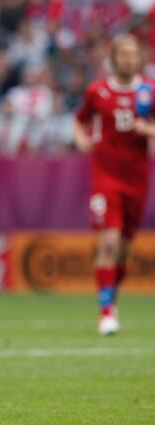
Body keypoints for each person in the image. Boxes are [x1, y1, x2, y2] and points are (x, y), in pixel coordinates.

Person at [73, 33, 153, 336]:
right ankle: (106, 312)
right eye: (124, 54)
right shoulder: (98, 91)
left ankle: (111, 299)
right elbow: (79, 120)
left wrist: (149, 129)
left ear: (139, 58)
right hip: (105, 177)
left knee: (123, 250)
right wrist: (81, 139)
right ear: (114, 57)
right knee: (108, 242)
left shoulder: (149, 92)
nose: (129, 59)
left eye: (133, 54)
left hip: (137, 180)